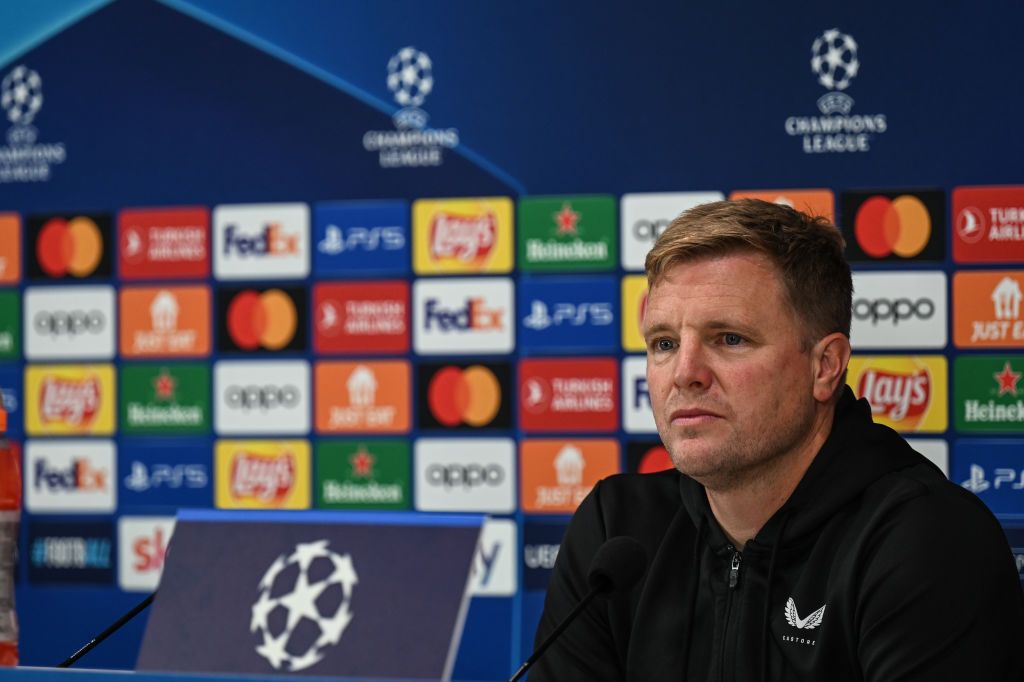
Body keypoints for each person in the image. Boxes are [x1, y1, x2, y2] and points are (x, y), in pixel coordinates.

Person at [529, 199, 1024, 681]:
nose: (685, 374)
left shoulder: (924, 539)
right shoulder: (617, 530)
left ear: (824, 366)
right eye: (664, 343)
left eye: (730, 339)